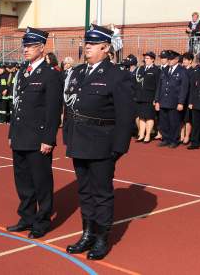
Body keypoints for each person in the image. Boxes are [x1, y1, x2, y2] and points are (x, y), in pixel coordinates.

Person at [63, 24, 134, 260]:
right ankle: (87, 234)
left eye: (92, 45)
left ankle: (102, 238)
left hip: (102, 144)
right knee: (84, 192)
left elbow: (125, 116)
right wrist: (68, 139)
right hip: (79, 142)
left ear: (105, 48)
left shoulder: (118, 75)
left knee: (101, 193)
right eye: (86, 43)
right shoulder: (79, 72)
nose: (87, 48)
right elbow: (70, 107)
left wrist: (118, 149)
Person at [7, 27, 62, 240]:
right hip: (20, 135)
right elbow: (17, 105)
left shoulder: (50, 75)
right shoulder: (23, 72)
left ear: (41, 48)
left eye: (30, 46)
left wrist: (49, 138)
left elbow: (53, 110)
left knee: (41, 182)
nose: (25, 49)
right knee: (23, 181)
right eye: (25, 45)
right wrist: (12, 132)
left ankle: (42, 221)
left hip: (38, 139)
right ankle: (27, 216)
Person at [155, 50, 189, 148]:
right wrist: (157, 100)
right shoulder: (164, 70)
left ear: (177, 59)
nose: (169, 61)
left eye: (171, 59)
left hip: (174, 101)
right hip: (163, 101)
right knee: (163, 122)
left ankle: (174, 140)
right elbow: (159, 87)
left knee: (174, 122)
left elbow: (184, 88)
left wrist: (181, 102)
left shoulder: (182, 71)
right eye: (168, 59)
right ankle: (166, 139)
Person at [134, 51, 160, 143]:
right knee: (141, 116)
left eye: (148, 58)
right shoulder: (141, 69)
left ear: (153, 60)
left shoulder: (156, 70)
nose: (146, 60)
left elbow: (158, 86)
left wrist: (156, 99)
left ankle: (148, 135)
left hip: (150, 97)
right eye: (145, 58)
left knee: (149, 117)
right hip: (140, 97)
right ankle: (141, 134)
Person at [180, 52, 195, 145]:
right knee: (181, 118)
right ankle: (181, 135)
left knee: (188, 119)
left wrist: (191, 101)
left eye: (186, 59)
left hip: (189, 98)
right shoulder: (181, 70)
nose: (184, 61)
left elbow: (193, 88)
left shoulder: (193, 72)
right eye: (183, 59)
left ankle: (187, 136)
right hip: (180, 98)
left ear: (190, 61)